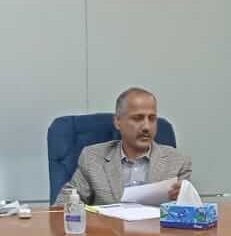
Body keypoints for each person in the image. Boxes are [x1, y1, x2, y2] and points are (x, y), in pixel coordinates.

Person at [61, 87, 192, 206]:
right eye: (138, 118)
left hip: (155, 225)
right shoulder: (92, 158)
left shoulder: (178, 162)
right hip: (106, 225)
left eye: (152, 118)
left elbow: (189, 212)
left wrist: (185, 198)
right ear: (117, 122)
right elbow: (63, 204)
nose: (146, 127)